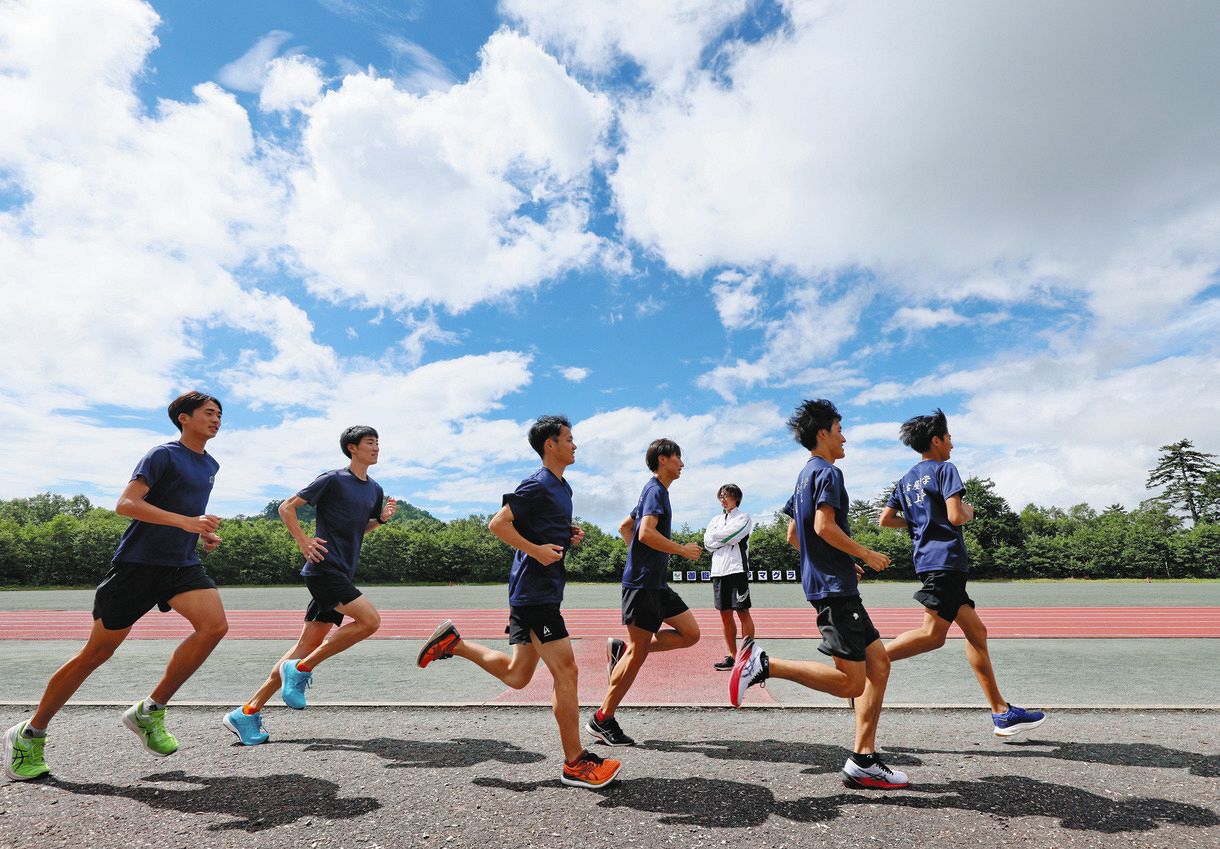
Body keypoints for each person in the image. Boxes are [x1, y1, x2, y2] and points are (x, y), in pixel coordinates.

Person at [4, 392, 229, 780]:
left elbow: (183, 515)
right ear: (183, 418)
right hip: (138, 566)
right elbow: (126, 504)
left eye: (220, 414)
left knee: (214, 627)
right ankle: (30, 733)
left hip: (180, 565)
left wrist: (201, 531)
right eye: (209, 413)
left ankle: (150, 711)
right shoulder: (162, 455)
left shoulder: (210, 464)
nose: (217, 419)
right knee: (96, 653)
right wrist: (185, 523)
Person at [416, 416, 620, 788]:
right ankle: (575, 763)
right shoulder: (537, 484)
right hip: (534, 593)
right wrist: (537, 550)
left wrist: (564, 534)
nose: (575, 445)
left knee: (517, 675)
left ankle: (454, 644)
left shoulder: (563, 488)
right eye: (569, 439)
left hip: (540, 592)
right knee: (567, 672)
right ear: (550, 445)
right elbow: (498, 524)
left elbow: (536, 527)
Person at [731, 399, 910, 790]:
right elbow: (824, 526)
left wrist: (838, 562)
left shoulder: (802, 477)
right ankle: (764, 665)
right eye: (841, 429)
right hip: (834, 589)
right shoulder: (829, 472)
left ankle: (864, 759)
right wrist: (863, 553)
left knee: (878, 665)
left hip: (831, 582)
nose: (845, 437)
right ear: (823, 433)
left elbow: (796, 535)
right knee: (852, 683)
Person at [878, 408, 1046, 738]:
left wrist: (919, 522)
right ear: (936, 440)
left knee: (976, 632)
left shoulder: (907, 478)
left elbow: (886, 519)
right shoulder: (945, 469)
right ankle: (865, 663)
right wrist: (968, 510)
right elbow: (956, 516)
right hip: (946, 561)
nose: (952, 444)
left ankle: (1000, 712)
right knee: (932, 636)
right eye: (949, 438)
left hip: (929, 560)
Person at [222, 426, 396, 745]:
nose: (376, 448)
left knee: (302, 647)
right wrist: (303, 541)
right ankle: (301, 669)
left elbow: (360, 530)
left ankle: (246, 713)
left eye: (378, 443)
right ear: (351, 447)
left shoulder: (375, 490)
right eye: (370, 443)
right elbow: (287, 507)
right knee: (370, 621)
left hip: (341, 572)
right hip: (323, 569)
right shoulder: (332, 479)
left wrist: (381, 520)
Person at [587, 439, 702, 747]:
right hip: (642, 586)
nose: (682, 463)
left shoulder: (655, 492)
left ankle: (623, 655)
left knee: (690, 634)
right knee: (638, 654)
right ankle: (602, 719)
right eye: (678, 457)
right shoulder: (654, 491)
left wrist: (640, 558)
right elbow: (645, 532)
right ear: (663, 459)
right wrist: (680, 550)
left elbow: (625, 527)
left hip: (655, 584)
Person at [703, 484, 755, 671]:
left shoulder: (744, 517)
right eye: (721, 496)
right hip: (718, 571)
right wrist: (719, 538)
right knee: (725, 615)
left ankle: (747, 656)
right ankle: (733, 656)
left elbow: (734, 535)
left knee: (742, 612)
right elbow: (707, 543)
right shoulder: (715, 519)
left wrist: (716, 537)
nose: (723, 499)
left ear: (736, 498)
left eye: (728, 495)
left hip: (736, 569)